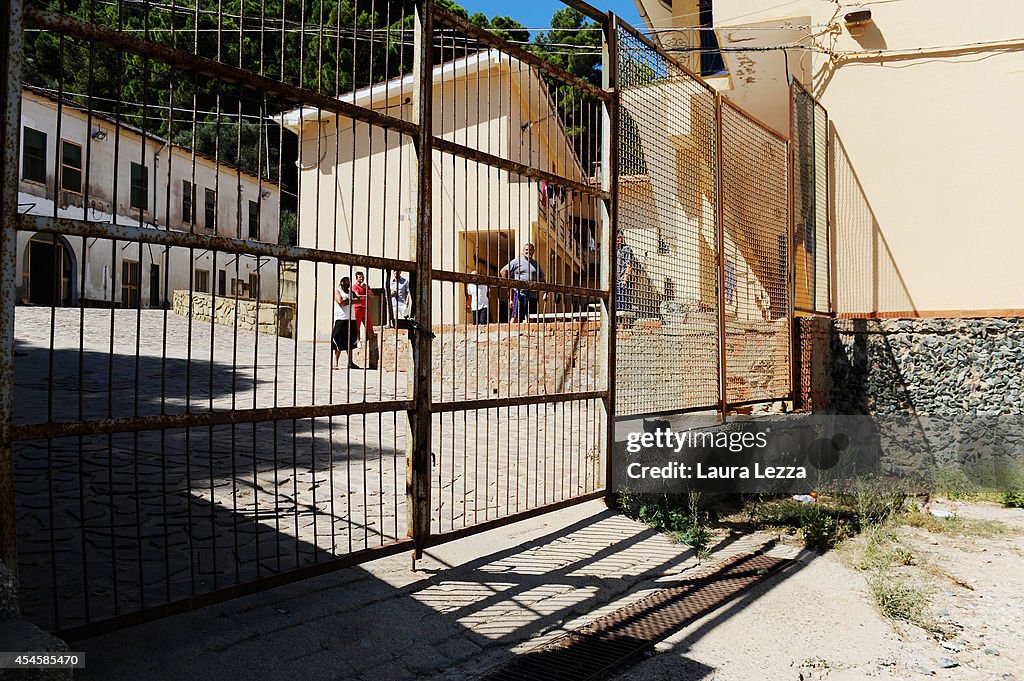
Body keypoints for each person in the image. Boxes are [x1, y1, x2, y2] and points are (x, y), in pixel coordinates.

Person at [499, 242, 547, 322]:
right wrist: (509, 282)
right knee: (515, 317)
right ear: (523, 251)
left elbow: (542, 279)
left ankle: (530, 334)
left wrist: (545, 292)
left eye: (530, 250)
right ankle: (511, 333)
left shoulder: (536, 264)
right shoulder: (517, 261)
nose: (528, 252)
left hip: (532, 296)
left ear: (533, 251)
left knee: (532, 318)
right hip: (520, 294)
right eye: (526, 250)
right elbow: (503, 271)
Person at [332, 276, 359, 370]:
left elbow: (358, 299)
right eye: (346, 282)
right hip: (341, 319)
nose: (347, 284)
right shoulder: (338, 291)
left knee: (350, 342)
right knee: (338, 341)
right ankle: (335, 362)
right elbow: (340, 302)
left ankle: (350, 363)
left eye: (349, 282)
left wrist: (348, 301)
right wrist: (351, 301)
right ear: (341, 282)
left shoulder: (351, 292)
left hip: (351, 319)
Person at [351, 271, 374, 341]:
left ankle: (371, 340)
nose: (361, 278)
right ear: (356, 278)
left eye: (362, 277)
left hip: (365, 308)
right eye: (360, 277)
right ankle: (357, 341)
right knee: (357, 326)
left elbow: (372, 296)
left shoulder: (366, 286)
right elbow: (357, 296)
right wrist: (366, 296)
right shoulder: (355, 286)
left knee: (369, 326)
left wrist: (366, 288)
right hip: (358, 308)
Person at [616, 230, 636, 313]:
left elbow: (629, 265)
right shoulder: (614, 250)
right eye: (616, 238)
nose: (618, 240)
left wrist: (624, 280)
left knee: (623, 306)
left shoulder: (626, 249)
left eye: (619, 238)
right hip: (615, 282)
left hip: (622, 282)